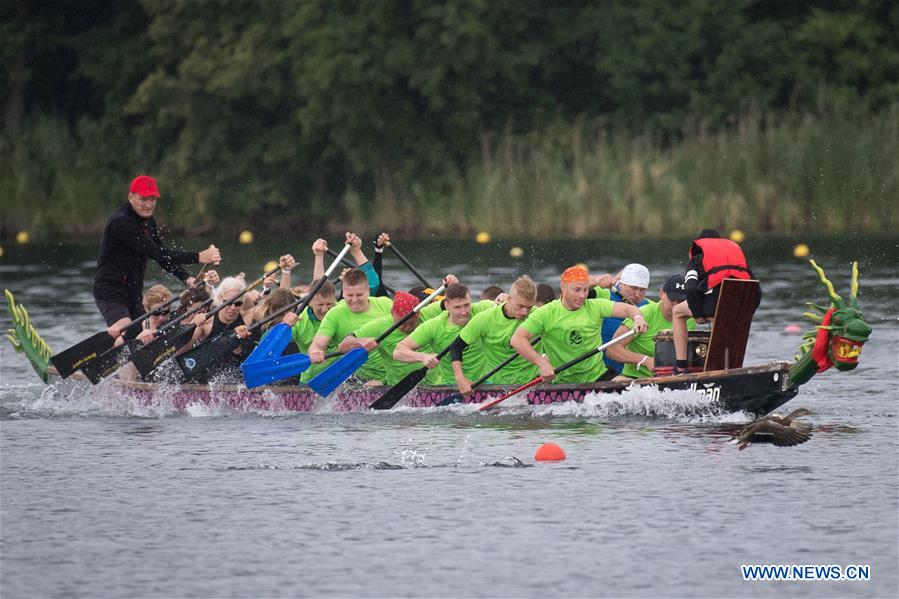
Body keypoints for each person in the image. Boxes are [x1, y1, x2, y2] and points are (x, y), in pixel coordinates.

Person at [93, 175, 221, 343]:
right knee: (125, 330)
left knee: (145, 334)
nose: (148, 204)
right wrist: (198, 257)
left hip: (133, 292)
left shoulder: (148, 222)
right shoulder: (121, 222)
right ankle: (112, 353)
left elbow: (163, 258)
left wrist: (186, 278)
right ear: (131, 197)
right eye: (143, 199)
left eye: (152, 199)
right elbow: (156, 253)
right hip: (110, 291)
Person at [509, 266, 647, 384]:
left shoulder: (595, 306)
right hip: (563, 382)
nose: (582, 295)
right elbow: (517, 339)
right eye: (577, 290)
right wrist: (541, 363)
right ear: (563, 287)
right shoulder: (546, 313)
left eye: (585, 290)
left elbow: (629, 309)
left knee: (633, 388)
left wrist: (638, 318)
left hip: (599, 377)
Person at [671, 229, 758, 374]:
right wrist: (747, 313)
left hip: (714, 308)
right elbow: (756, 289)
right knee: (728, 324)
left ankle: (680, 367)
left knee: (677, 312)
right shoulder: (739, 260)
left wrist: (697, 315)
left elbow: (691, 288)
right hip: (740, 308)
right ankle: (732, 369)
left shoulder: (696, 260)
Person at [449, 276, 540, 395]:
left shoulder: (538, 315)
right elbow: (455, 347)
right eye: (520, 306)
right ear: (509, 299)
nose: (525, 312)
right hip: (498, 387)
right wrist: (460, 379)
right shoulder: (485, 319)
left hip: (534, 383)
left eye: (529, 307)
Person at [393, 283, 495, 385]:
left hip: (488, 381)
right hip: (451, 385)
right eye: (457, 307)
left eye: (466, 305)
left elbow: (502, 306)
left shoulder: (481, 309)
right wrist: (422, 357)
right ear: (447, 306)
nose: (463, 312)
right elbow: (398, 352)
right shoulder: (434, 326)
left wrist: (501, 298)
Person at [308, 267, 394, 381]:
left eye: (359, 295)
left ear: (368, 291)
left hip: (394, 373)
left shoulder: (386, 304)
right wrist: (315, 352)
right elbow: (317, 344)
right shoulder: (335, 314)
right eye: (349, 295)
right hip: (362, 379)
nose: (354, 300)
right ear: (343, 293)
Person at [605, 274, 695, 379]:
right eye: (672, 299)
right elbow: (611, 349)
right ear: (661, 293)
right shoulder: (644, 313)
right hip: (635, 378)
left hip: (673, 377)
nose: (675, 305)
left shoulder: (690, 319)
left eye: (680, 301)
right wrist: (644, 360)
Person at [338, 292, 423, 385]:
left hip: (431, 384)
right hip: (399, 387)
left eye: (412, 323)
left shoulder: (427, 314)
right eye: (403, 324)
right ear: (392, 312)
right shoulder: (380, 326)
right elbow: (343, 346)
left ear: (419, 313)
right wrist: (360, 342)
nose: (407, 328)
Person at [592, 263, 652, 374]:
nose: (637, 294)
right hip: (602, 370)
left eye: (642, 290)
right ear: (621, 283)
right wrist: (596, 280)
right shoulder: (603, 294)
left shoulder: (649, 306)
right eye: (633, 288)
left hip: (632, 372)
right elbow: (575, 287)